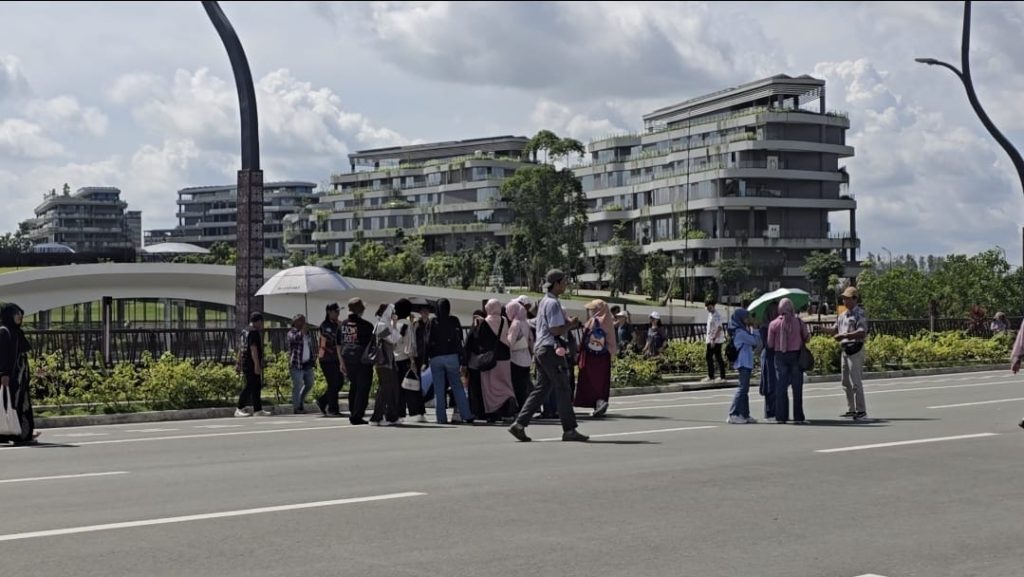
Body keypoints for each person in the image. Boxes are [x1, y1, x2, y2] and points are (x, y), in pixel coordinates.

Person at [508, 269, 589, 443]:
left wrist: (566, 324)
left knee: (542, 388)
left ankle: (519, 424)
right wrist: (571, 325)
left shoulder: (545, 301)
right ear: (557, 283)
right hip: (551, 349)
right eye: (564, 282)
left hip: (541, 349)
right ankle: (569, 429)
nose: (566, 285)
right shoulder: (553, 303)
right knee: (563, 388)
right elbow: (554, 330)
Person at [426, 298, 474, 424]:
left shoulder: (433, 321)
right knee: (457, 386)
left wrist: (426, 358)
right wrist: (462, 359)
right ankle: (466, 414)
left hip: (436, 357)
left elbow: (427, 341)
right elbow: (459, 340)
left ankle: (441, 418)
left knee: (439, 389)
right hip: (452, 356)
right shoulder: (454, 320)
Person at [826, 287, 869, 420]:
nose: (845, 301)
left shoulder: (859, 314)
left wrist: (845, 335)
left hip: (855, 349)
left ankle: (861, 410)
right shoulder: (842, 315)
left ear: (855, 299)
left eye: (848, 298)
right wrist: (823, 329)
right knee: (845, 382)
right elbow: (835, 329)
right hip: (845, 349)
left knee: (855, 381)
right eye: (844, 298)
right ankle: (851, 409)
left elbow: (862, 332)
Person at [767, 298, 810, 424]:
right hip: (796, 355)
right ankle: (798, 417)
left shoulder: (773, 324)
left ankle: (781, 416)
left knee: (781, 387)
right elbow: (807, 338)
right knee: (797, 388)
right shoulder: (799, 322)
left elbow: (770, 344)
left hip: (780, 355)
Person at [474, 299, 517, 424]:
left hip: (490, 360)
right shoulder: (504, 320)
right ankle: (508, 404)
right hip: (505, 358)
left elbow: (479, 339)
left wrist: (478, 324)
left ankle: (493, 413)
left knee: (490, 387)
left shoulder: (484, 322)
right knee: (505, 384)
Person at [0, 303, 37, 445]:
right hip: (10, 377)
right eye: (16, 314)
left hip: (19, 377)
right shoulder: (4, 332)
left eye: (20, 314)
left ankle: (21, 433)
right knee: (9, 404)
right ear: (9, 315)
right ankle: (9, 433)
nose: (20, 317)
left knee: (20, 404)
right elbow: (3, 355)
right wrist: (4, 374)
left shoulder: (17, 332)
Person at [575, 299, 617, 418]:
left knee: (591, 380)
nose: (591, 310)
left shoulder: (594, 321)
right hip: (604, 355)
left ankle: (598, 402)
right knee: (602, 380)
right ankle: (600, 401)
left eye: (593, 309)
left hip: (592, 356)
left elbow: (585, 337)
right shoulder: (608, 320)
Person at [339, 298, 374, 425]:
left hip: (347, 359)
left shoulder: (343, 325)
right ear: (361, 310)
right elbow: (372, 344)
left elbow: (338, 344)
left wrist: (341, 362)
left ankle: (352, 411)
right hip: (362, 361)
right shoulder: (367, 325)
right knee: (363, 388)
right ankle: (357, 415)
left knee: (354, 386)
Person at [394, 299, 427, 423]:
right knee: (412, 387)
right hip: (406, 359)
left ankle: (399, 414)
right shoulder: (408, 324)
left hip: (395, 359)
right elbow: (411, 345)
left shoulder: (394, 324)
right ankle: (417, 413)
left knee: (398, 388)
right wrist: (413, 360)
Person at [726, 308, 761, 424]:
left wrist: (752, 329)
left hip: (746, 362)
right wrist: (755, 329)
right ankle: (733, 414)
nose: (748, 319)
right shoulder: (740, 333)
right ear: (740, 319)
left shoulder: (742, 330)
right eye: (746, 318)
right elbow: (755, 341)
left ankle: (744, 414)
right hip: (744, 363)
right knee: (742, 389)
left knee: (745, 390)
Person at [370, 303, 402, 426]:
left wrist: (394, 324)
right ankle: (376, 418)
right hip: (383, 361)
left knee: (392, 389)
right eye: (392, 312)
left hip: (388, 361)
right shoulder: (381, 325)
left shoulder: (385, 324)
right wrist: (394, 324)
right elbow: (394, 339)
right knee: (385, 389)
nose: (393, 314)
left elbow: (394, 341)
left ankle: (392, 416)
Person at [235, 312, 271, 417]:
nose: (262, 325)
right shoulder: (253, 332)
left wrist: (238, 362)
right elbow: (253, 349)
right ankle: (239, 407)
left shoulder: (244, 331)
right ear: (258, 321)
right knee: (250, 386)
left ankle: (258, 409)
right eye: (261, 322)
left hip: (245, 361)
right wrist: (257, 365)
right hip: (251, 363)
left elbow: (241, 348)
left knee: (256, 386)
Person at [315, 303, 345, 417]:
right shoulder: (325, 326)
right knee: (333, 383)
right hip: (327, 358)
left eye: (339, 311)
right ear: (329, 312)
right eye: (336, 311)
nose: (338, 313)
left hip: (337, 358)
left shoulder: (339, 324)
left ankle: (322, 401)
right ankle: (333, 409)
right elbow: (332, 339)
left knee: (340, 382)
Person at [505, 298, 533, 409]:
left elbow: (511, 342)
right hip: (526, 358)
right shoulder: (525, 322)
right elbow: (531, 339)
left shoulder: (515, 323)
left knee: (517, 385)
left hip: (516, 358)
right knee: (524, 385)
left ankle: (520, 408)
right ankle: (526, 407)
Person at [287, 314, 316, 414]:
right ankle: (297, 407)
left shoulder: (307, 333)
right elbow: (295, 339)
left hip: (307, 364)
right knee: (298, 385)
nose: (303, 322)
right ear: (295, 322)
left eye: (304, 320)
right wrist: (303, 331)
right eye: (301, 320)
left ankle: (300, 402)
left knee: (310, 383)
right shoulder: (291, 333)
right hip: (297, 364)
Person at [758, 302, 779, 421]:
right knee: (770, 385)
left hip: (772, 356)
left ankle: (774, 411)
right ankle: (770, 412)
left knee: (774, 384)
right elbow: (768, 344)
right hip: (768, 357)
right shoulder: (765, 327)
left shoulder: (773, 325)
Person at [703, 299, 727, 383]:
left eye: (709, 307)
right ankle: (720, 376)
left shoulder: (717, 315)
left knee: (710, 357)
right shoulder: (710, 314)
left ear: (713, 306)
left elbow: (719, 328)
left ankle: (712, 376)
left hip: (715, 340)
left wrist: (713, 339)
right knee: (717, 357)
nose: (708, 309)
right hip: (711, 339)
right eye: (707, 308)